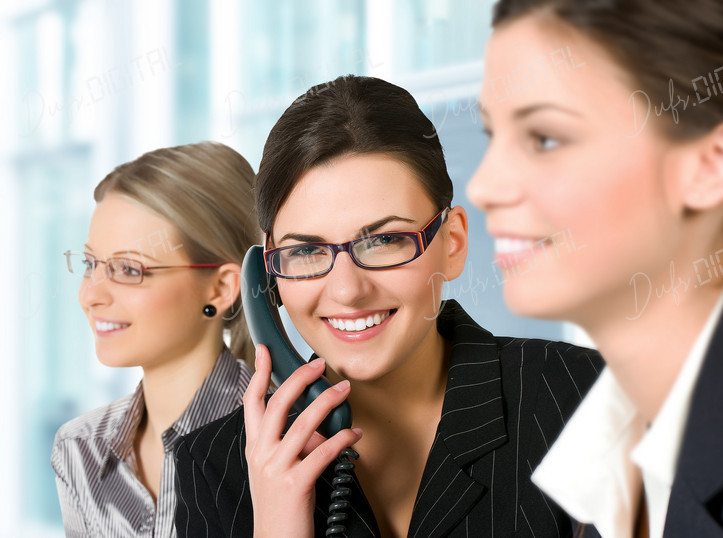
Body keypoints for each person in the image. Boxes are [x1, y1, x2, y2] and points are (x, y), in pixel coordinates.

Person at [173, 75, 603, 537]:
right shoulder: (212, 467)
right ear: (268, 275)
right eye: (305, 251)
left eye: (384, 241)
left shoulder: (581, 395)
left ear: (453, 243)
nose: (347, 291)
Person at [466, 0, 723, 536]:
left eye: (545, 138)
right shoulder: (611, 449)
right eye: (493, 135)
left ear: (714, 163)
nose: (483, 187)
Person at [51, 142, 262, 537]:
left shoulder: (279, 440)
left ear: (221, 288)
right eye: (90, 264)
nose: (90, 295)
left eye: (129, 269)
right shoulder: (79, 448)